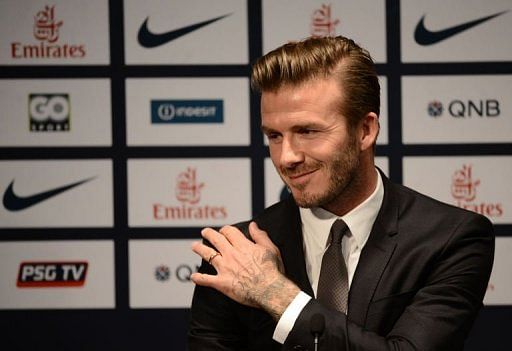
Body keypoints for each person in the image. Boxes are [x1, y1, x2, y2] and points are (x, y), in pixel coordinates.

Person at [187, 36, 494, 350]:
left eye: (307, 131)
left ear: (365, 130)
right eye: (274, 135)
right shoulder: (234, 254)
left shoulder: (450, 238)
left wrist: (276, 295)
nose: (286, 157)